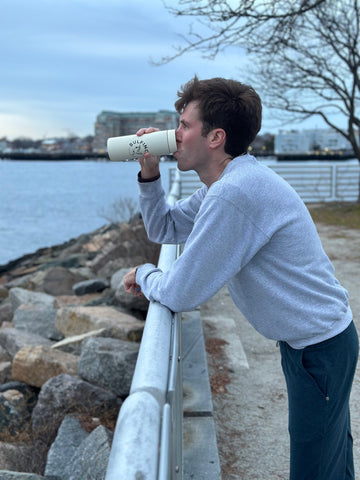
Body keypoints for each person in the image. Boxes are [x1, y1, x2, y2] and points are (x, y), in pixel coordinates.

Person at [123, 76, 358, 480]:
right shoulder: (227, 184)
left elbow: (180, 293)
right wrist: (149, 175)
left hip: (319, 348)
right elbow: (164, 228)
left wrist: (145, 274)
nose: (173, 135)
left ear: (215, 137)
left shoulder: (235, 193)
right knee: (328, 460)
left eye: (183, 124)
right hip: (313, 344)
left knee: (316, 468)